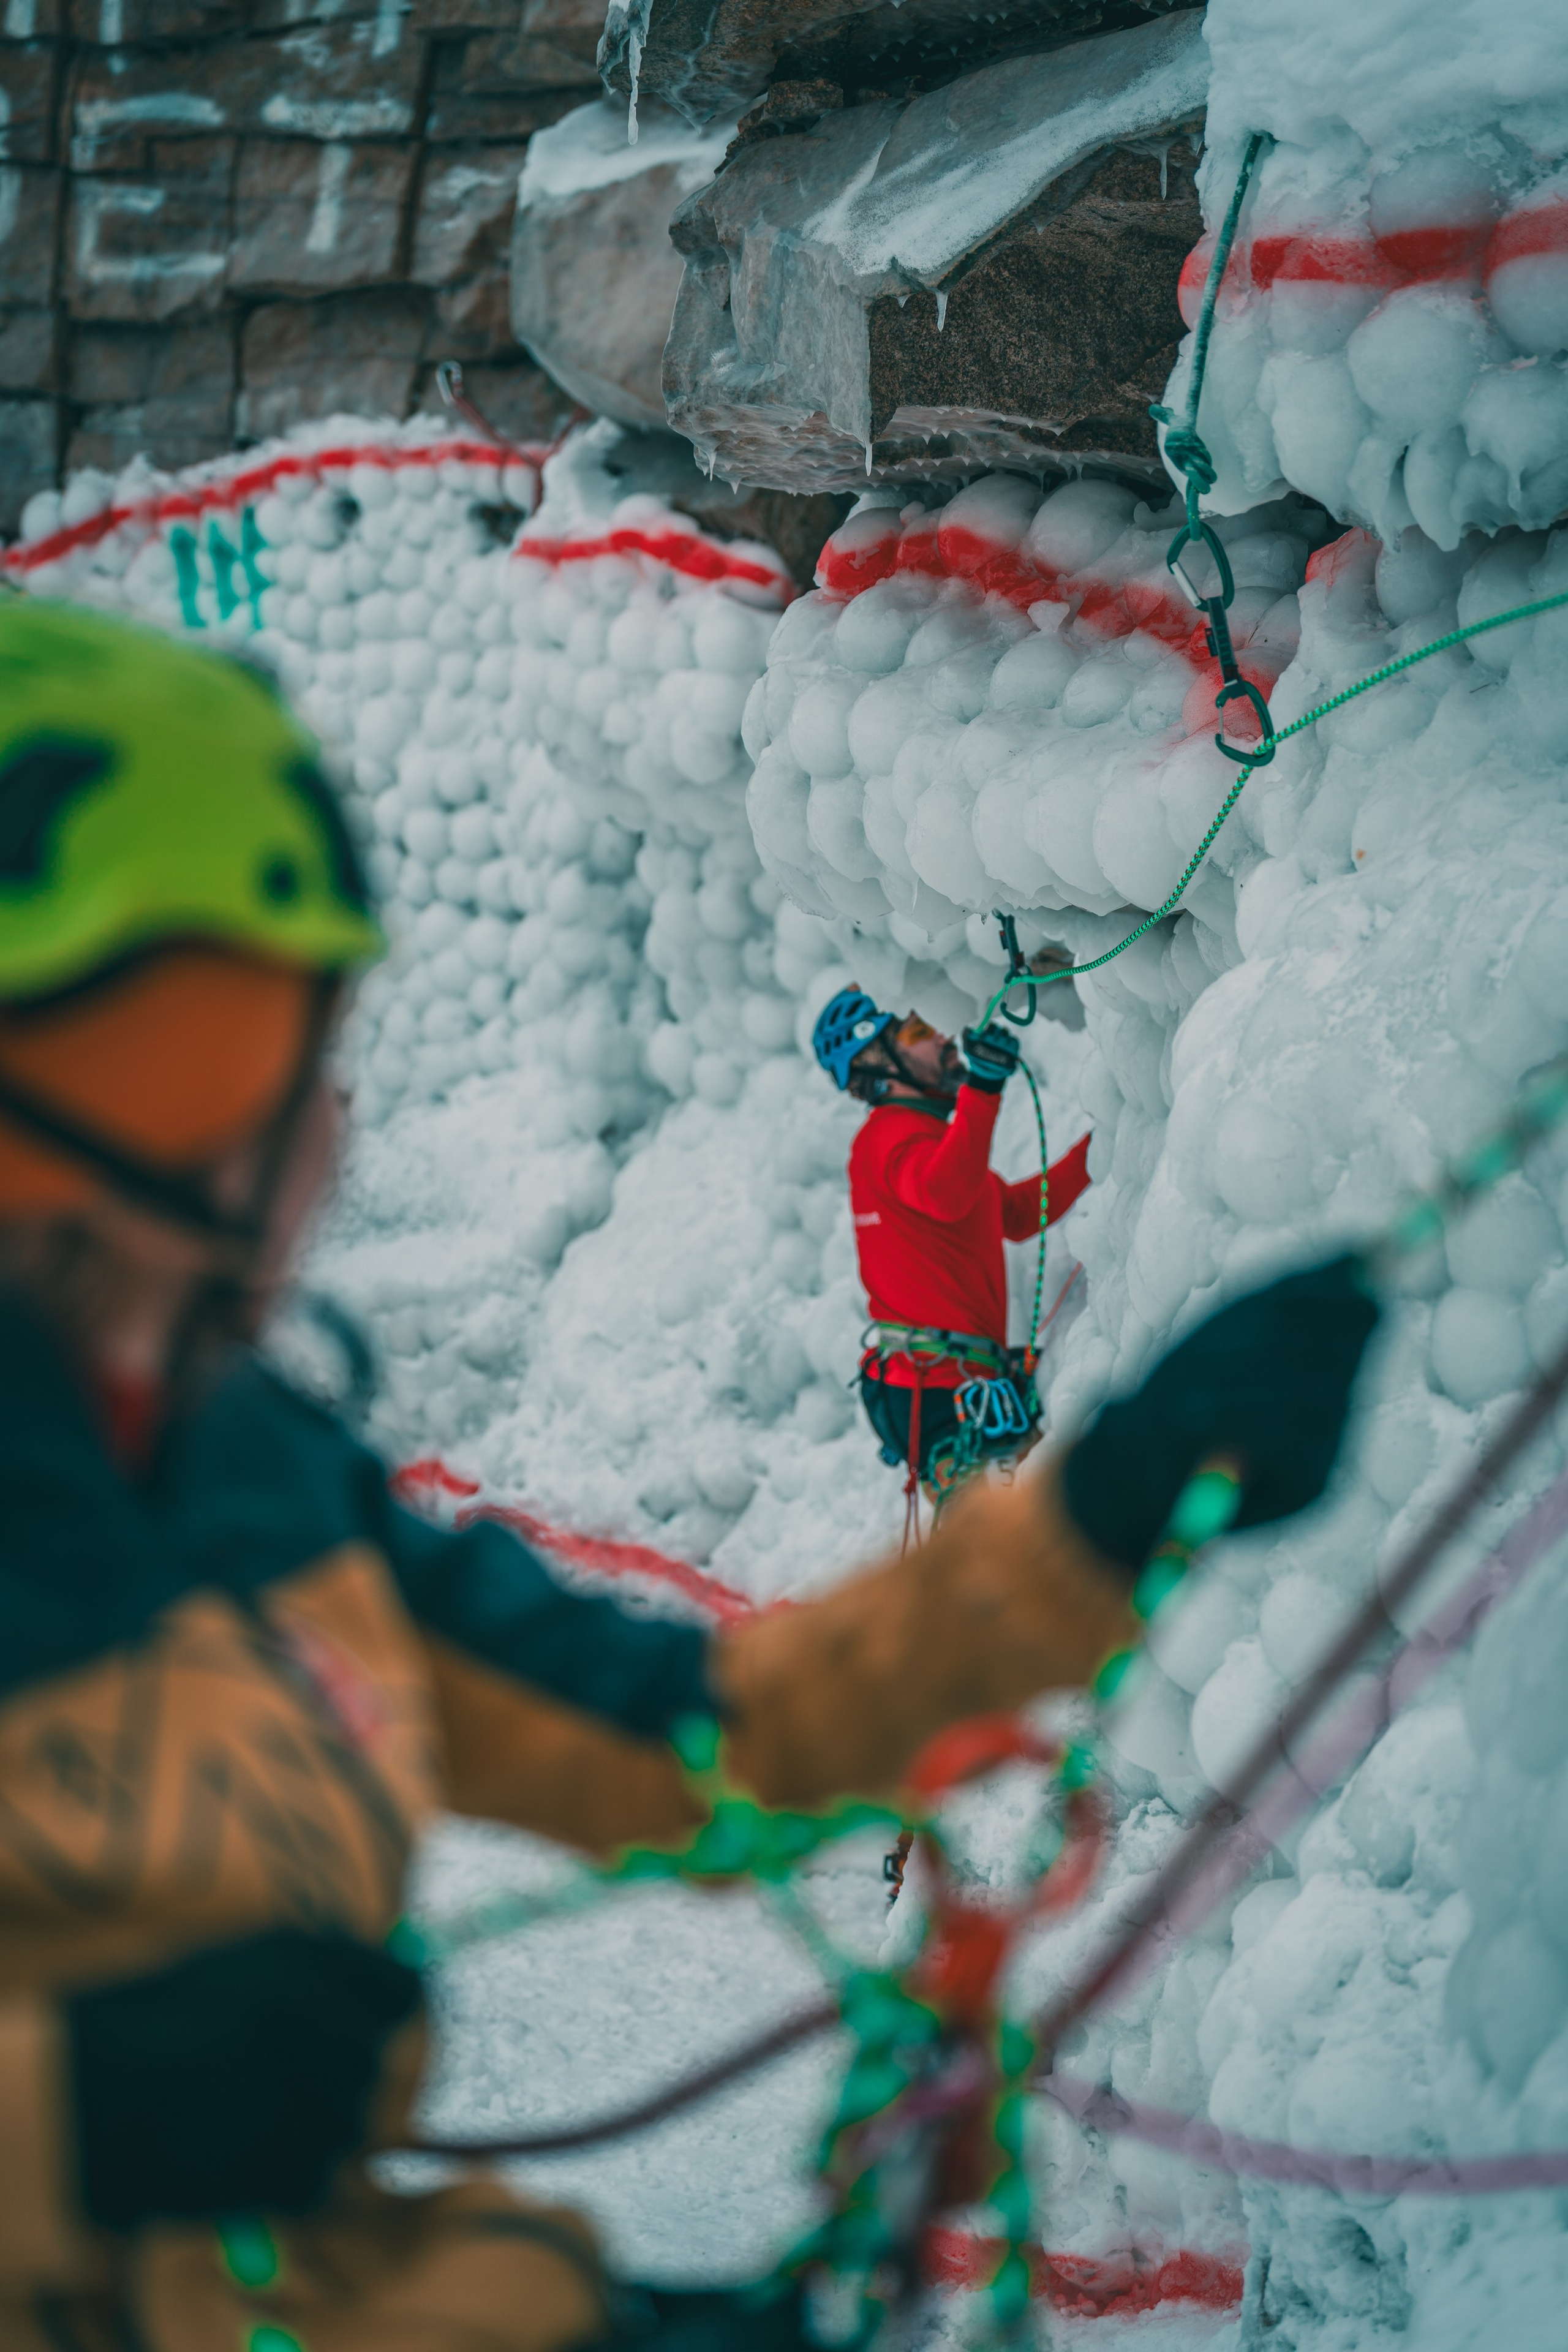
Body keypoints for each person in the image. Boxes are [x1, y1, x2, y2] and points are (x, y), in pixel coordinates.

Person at [0, 599, 1380, 2352]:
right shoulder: (902, 1138)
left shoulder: (257, 1486)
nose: (322, 1132)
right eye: (237, 1059)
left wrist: (1105, 1517)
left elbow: (703, 1736)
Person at [812, 986, 1092, 1512]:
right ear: (881, 1063)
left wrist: (1096, 1153)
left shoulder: (926, 1141)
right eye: (921, 1031)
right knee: (1006, 1541)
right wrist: (983, 1089)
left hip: (942, 1384)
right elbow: (948, 1193)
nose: (944, 1036)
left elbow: (1011, 1214)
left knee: (1012, 1536)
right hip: (937, 1388)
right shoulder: (888, 1137)